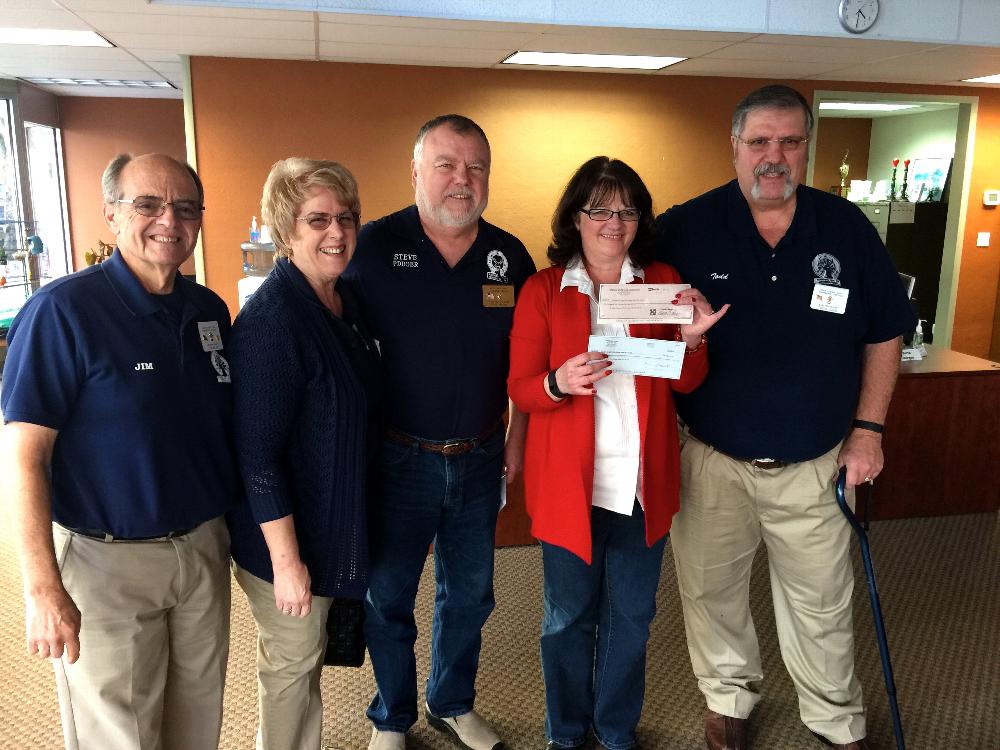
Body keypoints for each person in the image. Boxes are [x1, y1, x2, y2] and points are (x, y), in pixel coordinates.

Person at [656, 84, 916, 750]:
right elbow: (628, 298)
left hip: (816, 462)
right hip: (713, 459)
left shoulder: (846, 227)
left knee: (823, 606)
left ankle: (833, 716)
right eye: (761, 141)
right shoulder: (689, 226)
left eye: (791, 142)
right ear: (735, 145)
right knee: (712, 597)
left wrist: (869, 430)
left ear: (806, 148)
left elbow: (886, 328)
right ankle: (728, 699)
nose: (775, 156)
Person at [1, 153, 238, 750]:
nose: (169, 220)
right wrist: (42, 589)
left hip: (202, 553)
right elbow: (23, 457)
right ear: (110, 214)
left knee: (197, 724)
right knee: (121, 735)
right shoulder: (63, 312)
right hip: (109, 566)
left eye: (185, 207)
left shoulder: (208, 310)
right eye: (148, 204)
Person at [508, 156, 726, 750]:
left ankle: (615, 730)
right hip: (568, 491)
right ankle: (567, 732)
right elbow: (521, 387)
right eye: (600, 208)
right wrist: (558, 382)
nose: (614, 220)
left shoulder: (661, 281)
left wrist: (692, 342)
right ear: (575, 218)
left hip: (641, 487)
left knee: (631, 621)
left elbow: (683, 383)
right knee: (567, 621)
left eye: (627, 209)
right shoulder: (544, 291)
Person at [344, 114, 536, 750]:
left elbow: (526, 365)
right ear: (416, 172)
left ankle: (451, 701)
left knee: (471, 596)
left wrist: (514, 444)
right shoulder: (371, 248)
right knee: (389, 595)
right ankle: (392, 717)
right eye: (447, 165)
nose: (463, 179)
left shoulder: (510, 257)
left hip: (482, 456)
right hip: (399, 458)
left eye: (476, 167)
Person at [226, 158, 380, 750]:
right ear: (286, 230)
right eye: (318, 219)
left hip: (327, 524)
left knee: (308, 659)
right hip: (283, 541)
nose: (336, 233)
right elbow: (257, 457)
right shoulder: (273, 321)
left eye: (345, 218)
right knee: (291, 668)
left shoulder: (343, 304)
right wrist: (287, 565)